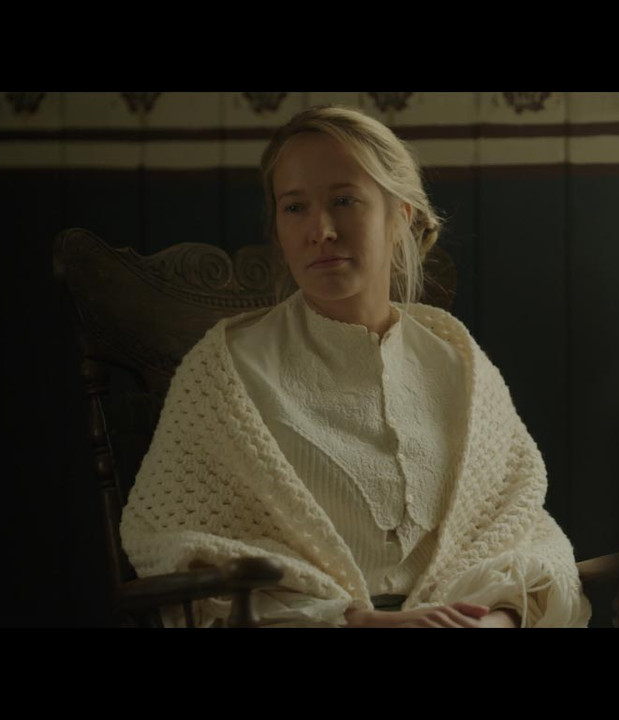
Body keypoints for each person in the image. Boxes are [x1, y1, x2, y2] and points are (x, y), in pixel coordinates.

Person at [119, 105, 592, 628]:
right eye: (294, 207)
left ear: (400, 216)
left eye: (344, 200)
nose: (320, 230)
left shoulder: (459, 364)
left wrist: (495, 621)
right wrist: (354, 621)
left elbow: (522, 532)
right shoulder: (227, 370)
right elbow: (172, 546)